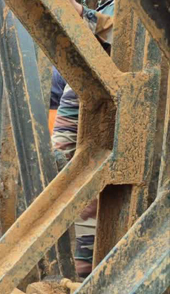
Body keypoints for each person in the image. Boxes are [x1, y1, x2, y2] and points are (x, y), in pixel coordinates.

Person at [53, 0, 114, 277]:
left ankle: (83, 273)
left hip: (106, 122)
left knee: (91, 200)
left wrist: (84, 15)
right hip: (80, 129)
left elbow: (122, 36)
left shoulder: (143, 11)